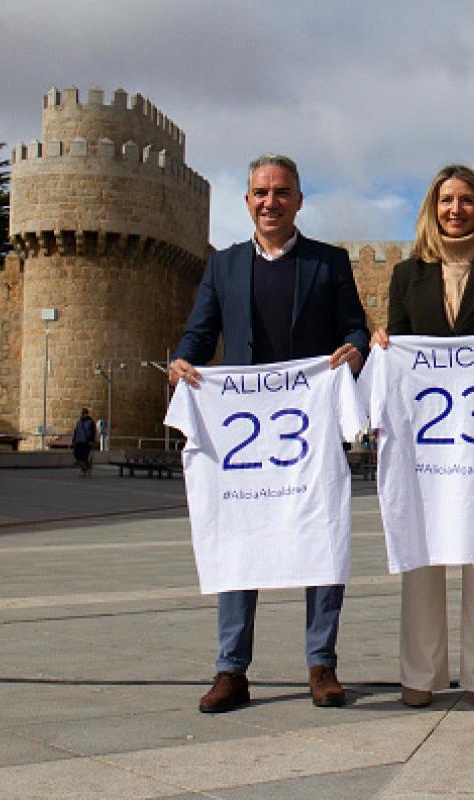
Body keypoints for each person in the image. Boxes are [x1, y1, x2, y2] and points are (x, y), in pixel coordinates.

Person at [168, 154, 369, 713]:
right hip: (244, 435)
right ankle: (231, 670)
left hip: (309, 425)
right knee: (238, 539)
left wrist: (352, 350)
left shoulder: (329, 263)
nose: (271, 201)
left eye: (282, 192)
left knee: (323, 538)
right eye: (261, 192)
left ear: (299, 201)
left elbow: (354, 325)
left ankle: (321, 664)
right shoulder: (223, 266)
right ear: (247, 201)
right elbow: (198, 332)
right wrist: (183, 362)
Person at [370, 165, 474, 710]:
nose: (455, 209)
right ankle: (420, 673)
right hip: (424, 438)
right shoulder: (406, 276)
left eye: (466, 200)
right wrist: (383, 346)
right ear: (432, 207)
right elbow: (397, 346)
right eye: (446, 200)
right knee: (421, 548)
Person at [71, 407, 96, 477]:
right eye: (82, 413)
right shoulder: (79, 422)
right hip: (79, 441)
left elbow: (93, 432)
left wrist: (91, 441)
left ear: (86, 414)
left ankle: (85, 469)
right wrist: (74, 440)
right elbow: (76, 431)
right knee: (77, 455)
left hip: (86, 442)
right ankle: (86, 468)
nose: (82, 415)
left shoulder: (90, 422)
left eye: (83, 413)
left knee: (84, 457)